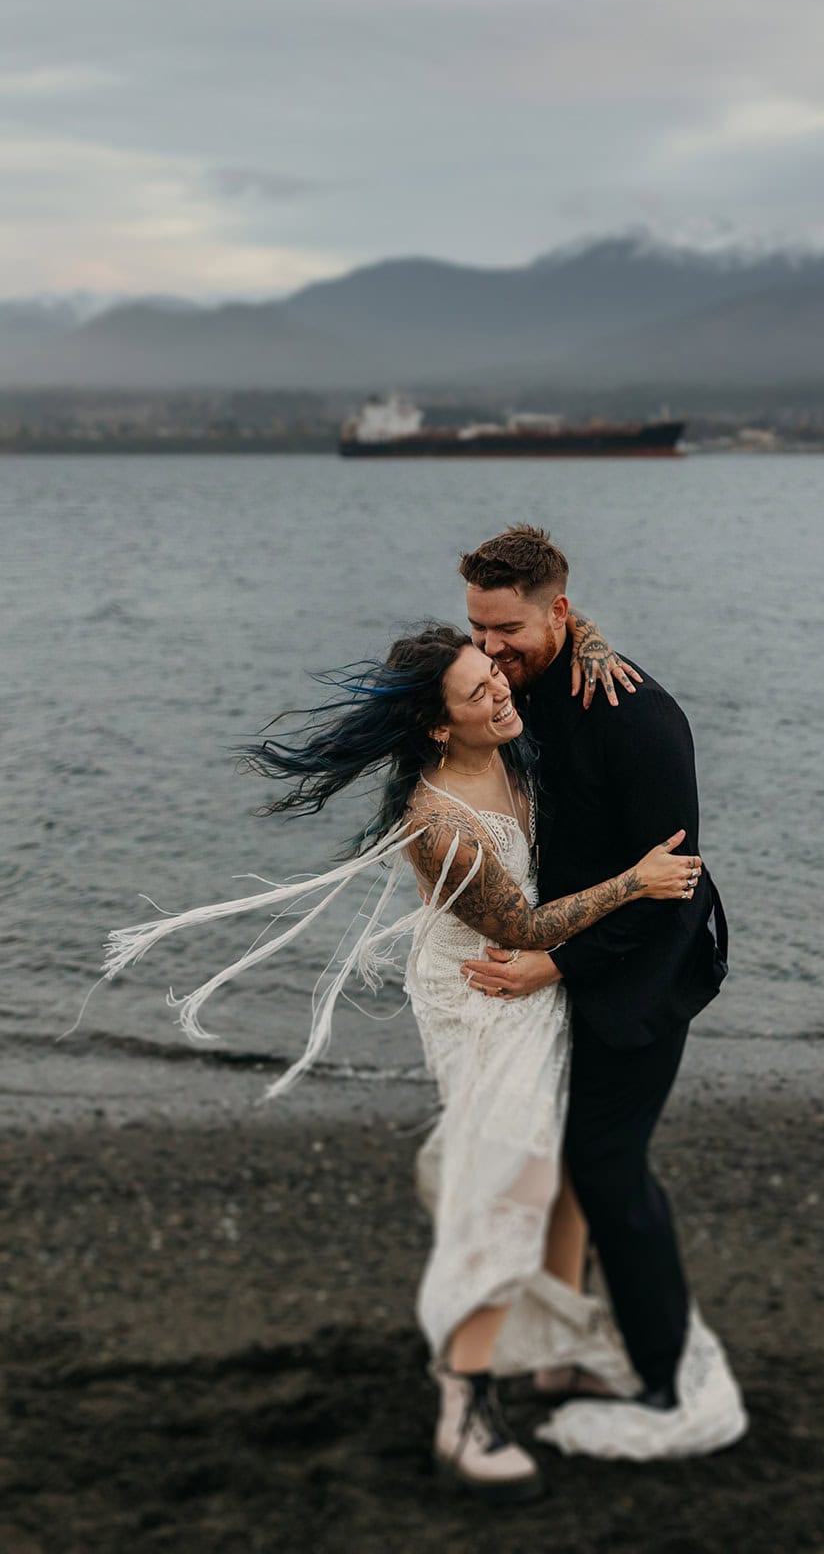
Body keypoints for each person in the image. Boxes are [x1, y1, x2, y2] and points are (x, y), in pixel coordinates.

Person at [96, 621, 701, 1505]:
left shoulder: (503, 731)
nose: (499, 688)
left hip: (536, 987)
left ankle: (557, 1358)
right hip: (487, 994)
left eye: (494, 671)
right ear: (435, 726)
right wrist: (634, 883)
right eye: (477, 689)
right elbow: (523, 931)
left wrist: (593, 640)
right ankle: (463, 1405)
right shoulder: (438, 822)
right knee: (508, 1189)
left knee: (559, 1175)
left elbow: (536, 622)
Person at [458, 525, 747, 1460]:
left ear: (560, 613)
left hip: (640, 977)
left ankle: (663, 1378)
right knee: (544, 1160)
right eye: (477, 629)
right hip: (554, 958)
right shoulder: (519, 683)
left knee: (607, 1166)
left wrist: (557, 965)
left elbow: (675, 888)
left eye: (506, 630)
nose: (488, 650)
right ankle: (559, 1348)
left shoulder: (636, 716)